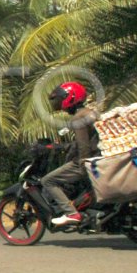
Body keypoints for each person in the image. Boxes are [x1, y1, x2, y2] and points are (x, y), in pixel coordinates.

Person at [41, 81, 100, 226]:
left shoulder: (78, 117)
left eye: (61, 99)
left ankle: (71, 213)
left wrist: (83, 165)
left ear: (70, 98)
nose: (59, 104)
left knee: (47, 181)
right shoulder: (91, 112)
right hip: (100, 157)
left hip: (90, 161)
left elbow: (83, 146)